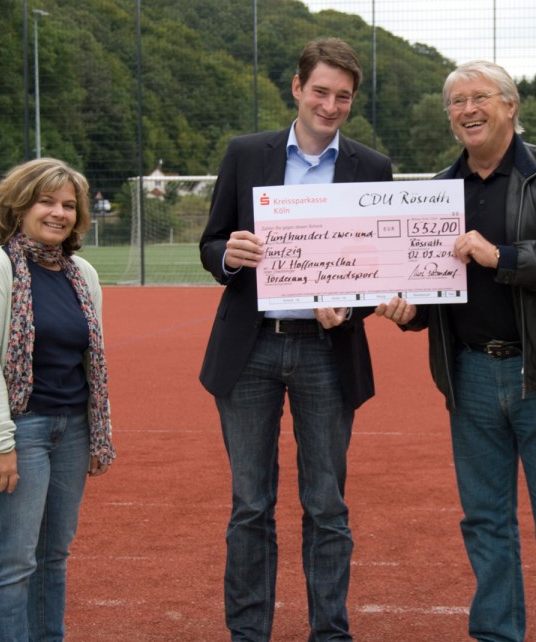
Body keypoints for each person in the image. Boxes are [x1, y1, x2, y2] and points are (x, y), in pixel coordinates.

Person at [376, 61, 536, 642]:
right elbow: (431, 293)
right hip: (469, 376)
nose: (467, 110)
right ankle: (496, 634)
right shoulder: (436, 193)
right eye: (456, 102)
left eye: (480, 97)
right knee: (485, 520)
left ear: (511, 105)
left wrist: (501, 256)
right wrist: (410, 314)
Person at [198, 38, 392, 641]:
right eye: (321, 91)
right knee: (251, 505)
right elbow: (211, 244)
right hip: (250, 348)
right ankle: (248, 634)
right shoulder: (245, 154)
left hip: (325, 352)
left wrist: (351, 306)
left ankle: (329, 632)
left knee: (326, 504)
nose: (330, 106)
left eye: (343, 97)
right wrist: (227, 254)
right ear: (296, 88)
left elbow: (377, 268)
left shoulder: (372, 167)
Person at [0, 157, 116, 641]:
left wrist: (97, 433)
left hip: (72, 428)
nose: (59, 213)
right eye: (46, 201)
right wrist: (0, 442)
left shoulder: (81, 273)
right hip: (19, 429)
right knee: (13, 560)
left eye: (69, 205)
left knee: (53, 557)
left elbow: (92, 361)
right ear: (20, 205)